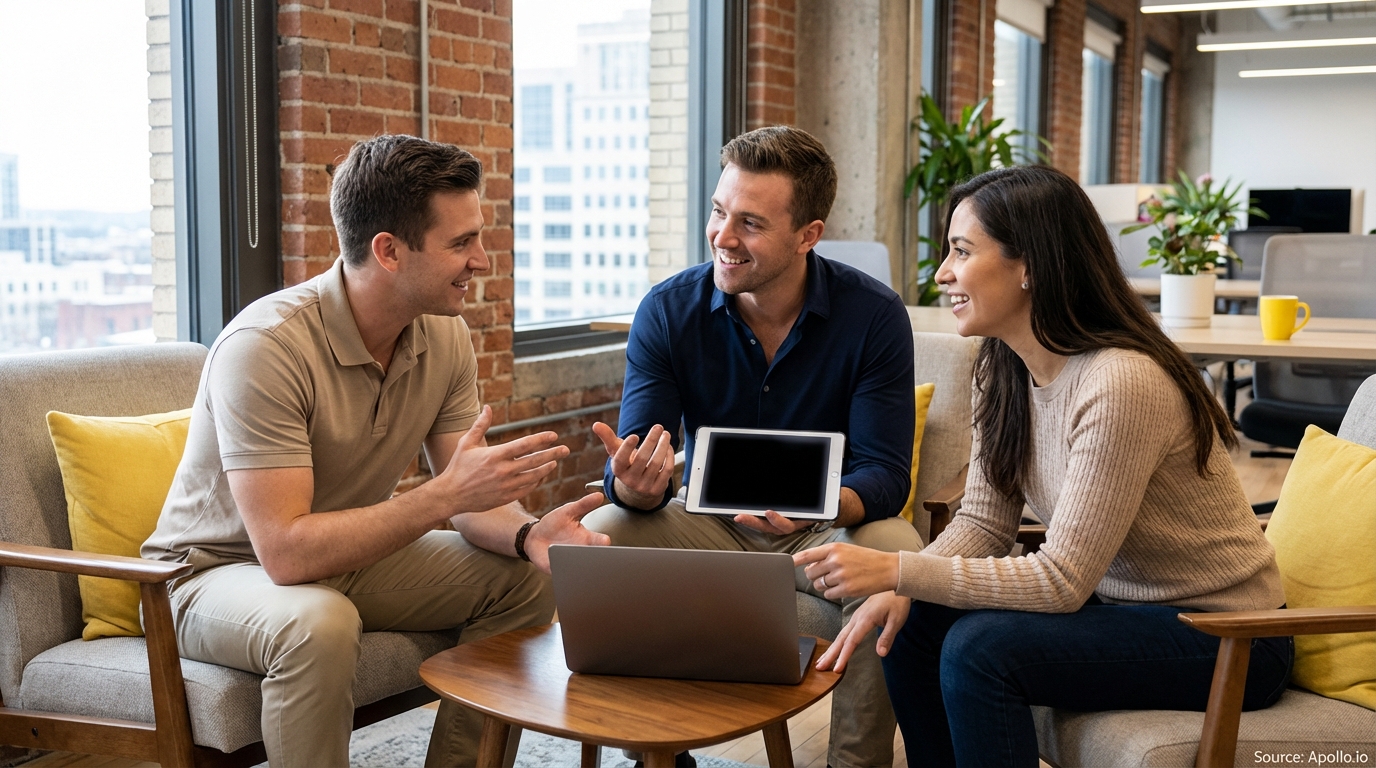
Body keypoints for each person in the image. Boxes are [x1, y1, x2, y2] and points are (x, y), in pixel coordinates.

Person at [795, 165, 1293, 767]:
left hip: (1226, 633)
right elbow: (983, 522)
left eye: (960, 251)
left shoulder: (1120, 382)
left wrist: (898, 570)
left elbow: (1062, 581)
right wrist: (909, 582)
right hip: (1117, 610)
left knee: (981, 649)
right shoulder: (1003, 368)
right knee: (911, 624)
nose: (942, 273)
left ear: (1029, 264)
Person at [142, 135, 608, 768]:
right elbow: (284, 552)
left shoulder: (445, 335)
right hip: (211, 574)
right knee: (319, 622)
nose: (483, 261)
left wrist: (530, 535)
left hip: (348, 553)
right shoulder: (266, 347)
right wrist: (441, 497)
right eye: (461, 243)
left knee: (524, 580)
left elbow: (467, 499)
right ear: (388, 250)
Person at [582, 125, 924, 768]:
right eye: (718, 212)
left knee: (897, 548)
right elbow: (636, 461)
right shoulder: (667, 310)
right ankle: (653, 751)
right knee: (604, 531)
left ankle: (855, 764)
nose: (723, 237)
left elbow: (886, 472)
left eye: (750, 222)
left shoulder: (873, 315)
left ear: (808, 235)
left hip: (822, 528)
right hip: (708, 522)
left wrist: (822, 508)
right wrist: (634, 484)